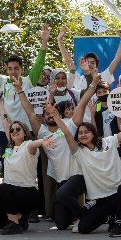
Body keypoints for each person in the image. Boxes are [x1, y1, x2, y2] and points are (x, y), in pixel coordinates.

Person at [20, 75, 97, 221]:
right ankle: (84, 213)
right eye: (47, 113)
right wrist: (19, 90)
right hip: (61, 179)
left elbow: (82, 104)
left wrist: (92, 83)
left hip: (77, 176)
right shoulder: (42, 132)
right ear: (43, 117)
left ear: (58, 114)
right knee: (61, 223)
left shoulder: (69, 125)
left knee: (74, 212)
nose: (50, 115)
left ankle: (86, 215)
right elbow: (29, 112)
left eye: (52, 113)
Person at [54, 115, 121, 237]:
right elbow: (66, 132)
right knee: (83, 228)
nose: (83, 135)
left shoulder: (109, 142)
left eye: (86, 132)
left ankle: (119, 223)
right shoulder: (79, 151)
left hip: (120, 194)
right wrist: (54, 114)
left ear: (93, 133)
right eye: (80, 133)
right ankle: (107, 215)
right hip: (101, 200)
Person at [0, 115, 54, 234]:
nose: (14, 131)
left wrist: (42, 141)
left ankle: (14, 223)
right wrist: (0, 105)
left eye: (18, 129)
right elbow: (6, 124)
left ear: (25, 133)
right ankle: (18, 223)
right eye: (12, 130)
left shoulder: (28, 146)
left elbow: (34, 144)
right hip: (9, 194)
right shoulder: (9, 149)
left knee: (1, 188)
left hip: (28, 193)